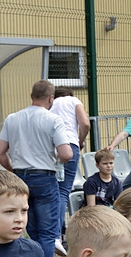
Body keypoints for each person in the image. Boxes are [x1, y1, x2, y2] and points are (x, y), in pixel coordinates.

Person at [0, 79, 73, 257]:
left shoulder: (12, 118)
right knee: (48, 234)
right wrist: (55, 158)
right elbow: (67, 153)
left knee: (34, 232)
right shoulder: (53, 119)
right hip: (45, 177)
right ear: (51, 99)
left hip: (20, 178)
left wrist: (13, 171)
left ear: (31, 96)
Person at [50, 86, 90, 230]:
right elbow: (85, 124)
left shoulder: (49, 104)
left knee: (53, 191)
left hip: (52, 149)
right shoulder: (73, 100)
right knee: (63, 192)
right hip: (69, 145)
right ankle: (57, 233)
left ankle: (54, 231)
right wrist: (80, 141)